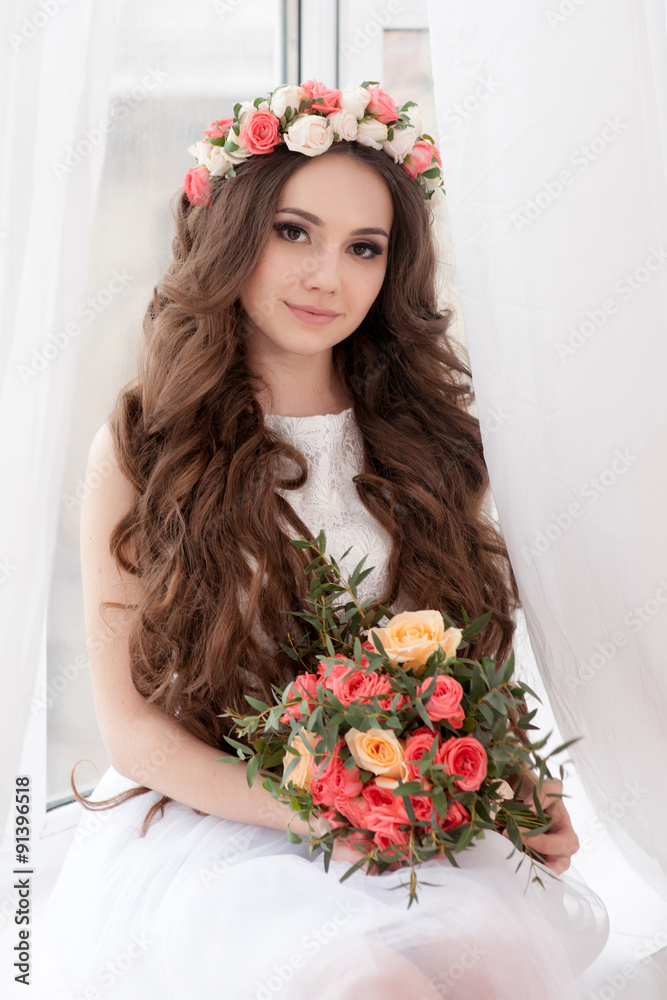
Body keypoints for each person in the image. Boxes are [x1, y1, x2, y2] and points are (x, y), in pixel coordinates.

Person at [43, 80, 609, 999]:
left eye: (364, 248)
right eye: (293, 231)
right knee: (360, 979)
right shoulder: (146, 441)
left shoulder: (429, 436)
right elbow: (135, 734)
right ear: (232, 231)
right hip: (222, 819)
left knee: (495, 965)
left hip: (398, 822)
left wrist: (507, 783)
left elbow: (462, 666)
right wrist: (318, 812)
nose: (326, 277)